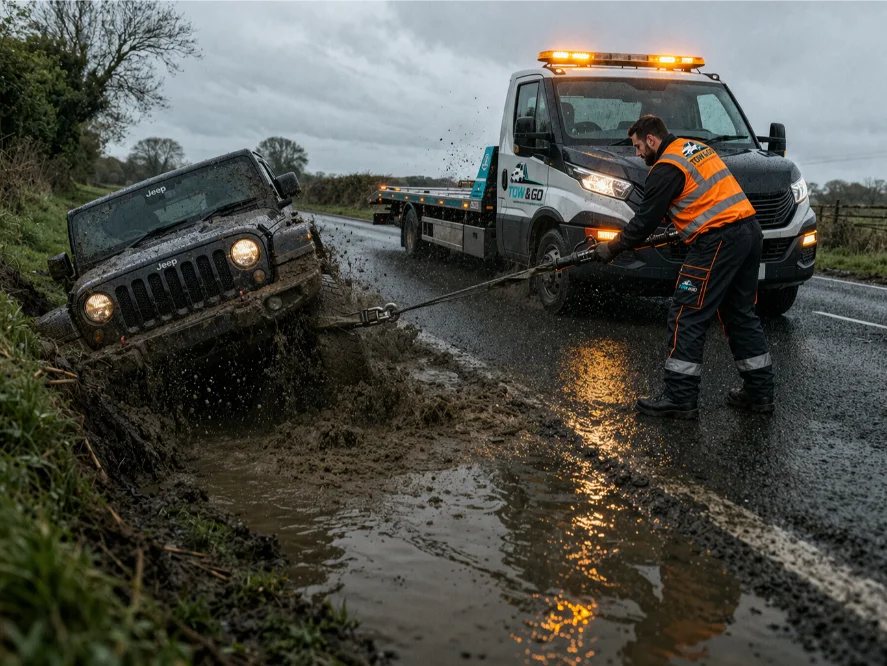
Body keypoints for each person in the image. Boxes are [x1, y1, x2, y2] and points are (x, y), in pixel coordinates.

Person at [594, 115, 775, 419]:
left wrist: (611, 248)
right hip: (749, 231)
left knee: (686, 314)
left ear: (651, 139)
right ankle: (760, 393)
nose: (637, 153)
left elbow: (643, 222)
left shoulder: (666, 167)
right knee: (739, 313)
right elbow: (701, 197)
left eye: (638, 146)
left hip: (717, 240)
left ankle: (679, 397)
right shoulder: (694, 148)